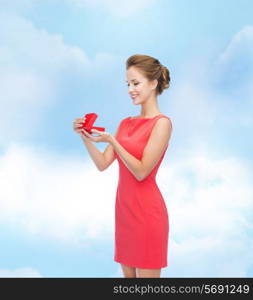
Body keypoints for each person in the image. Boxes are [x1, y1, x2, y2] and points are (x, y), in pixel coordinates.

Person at [73, 54, 173, 278]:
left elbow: (141, 171)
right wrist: (84, 137)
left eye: (135, 83)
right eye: (128, 84)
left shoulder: (162, 124)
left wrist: (112, 141)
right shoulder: (125, 123)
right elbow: (102, 164)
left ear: (153, 83)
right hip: (125, 213)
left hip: (148, 215)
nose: (130, 89)